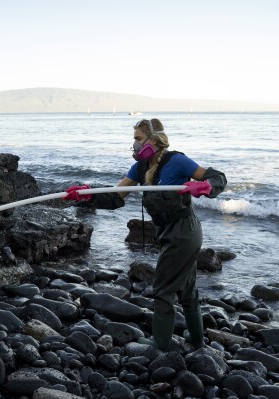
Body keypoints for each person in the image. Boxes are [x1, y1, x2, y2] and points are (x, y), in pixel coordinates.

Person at [64, 118, 226, 351]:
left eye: (139, 139)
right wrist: (86, 195)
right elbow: (115, 197)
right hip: (167, 232)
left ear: (154, 139)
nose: (135, 144)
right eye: (134, 140)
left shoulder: (177, 161)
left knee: (163, 287)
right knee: (187, 287)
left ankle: (160, 344)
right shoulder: (139, 169)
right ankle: (196, 339)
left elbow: (217, 176)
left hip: (184, 231)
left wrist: (206, 186)